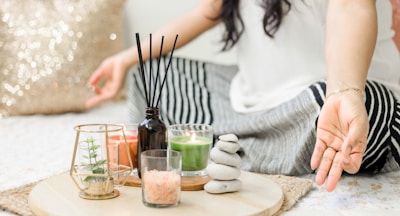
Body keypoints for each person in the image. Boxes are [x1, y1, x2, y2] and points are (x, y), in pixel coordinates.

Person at [86, 0, 400, 192]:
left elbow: (351, 6)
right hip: (251, 104)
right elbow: (207, 11)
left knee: (367, 112)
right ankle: (258, 146)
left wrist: (345, 91)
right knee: (151, 74)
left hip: (333, 98)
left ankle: (231, 147)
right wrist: (125, 59)